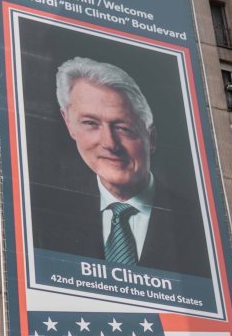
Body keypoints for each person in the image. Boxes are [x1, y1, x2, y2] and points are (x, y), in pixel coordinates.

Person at [30, 56, 211, 278]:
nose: (109, 143)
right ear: (68, 123)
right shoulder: (42, 216)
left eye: (123, 128)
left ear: (151, 138)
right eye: (90, 123)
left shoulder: (200, 225)